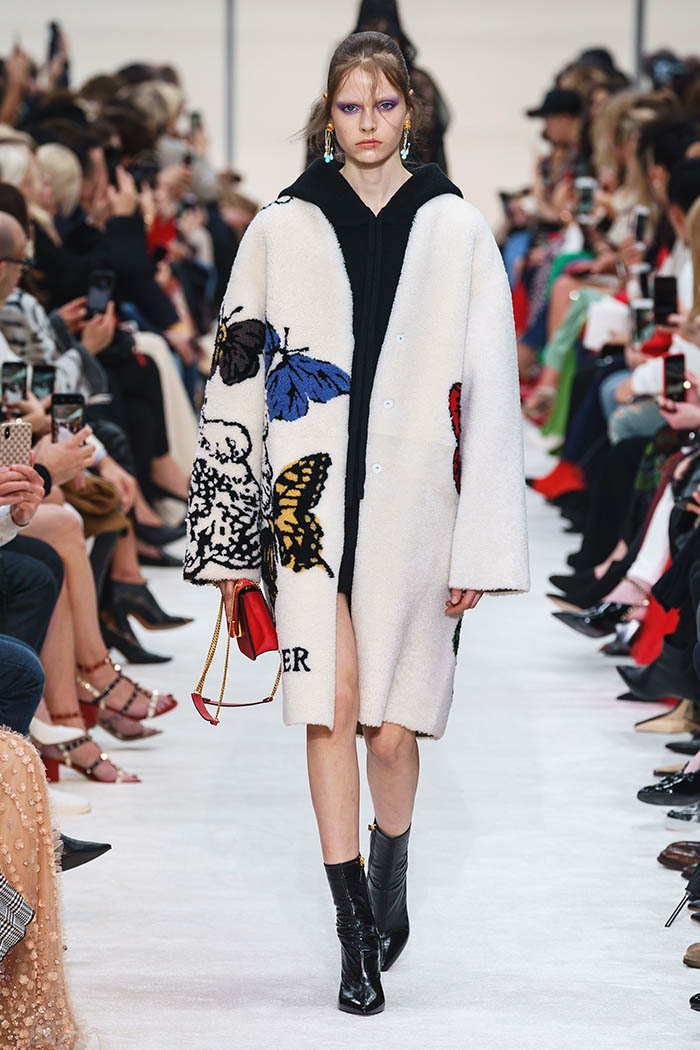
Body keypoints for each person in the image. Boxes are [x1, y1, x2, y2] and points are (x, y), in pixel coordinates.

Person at [185, 31, 529, 1015]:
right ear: (327, 114)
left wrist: (482, 545)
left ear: (408, 110)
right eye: (350, 106)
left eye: (382, 105)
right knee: (328, 708)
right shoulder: (281, 225)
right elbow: (235, 376)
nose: (367, 123)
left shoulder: (456, 227)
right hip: (304, 506)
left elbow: (493, 395)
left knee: (388, 735)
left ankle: (392, 862)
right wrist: (227, 540)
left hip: (419, 513)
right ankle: (352, 935)